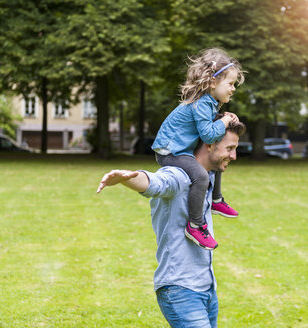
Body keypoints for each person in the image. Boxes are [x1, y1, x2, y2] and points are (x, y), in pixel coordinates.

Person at [97, 118, 246, 328]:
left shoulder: (207, 177)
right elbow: (158, 183)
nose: (234, 156)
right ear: (210, 144)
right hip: (181, 290)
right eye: (230, 148)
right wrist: (127, 178)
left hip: (206, 288)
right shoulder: (179, 175)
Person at [151, 48, 245, 250]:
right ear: (212, 82)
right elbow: (209, 135)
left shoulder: (210, 103)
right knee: (201, 176)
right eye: (230, 83)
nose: (233, 88)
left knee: (216, 160)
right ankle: (195, 225)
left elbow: (212, 128)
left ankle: (216, 199)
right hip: (170, 152)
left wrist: (227, 119)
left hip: (180, 149)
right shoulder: (202, 103)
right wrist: (225, 121)